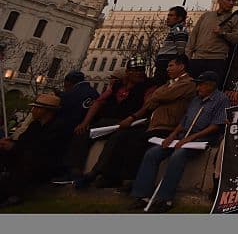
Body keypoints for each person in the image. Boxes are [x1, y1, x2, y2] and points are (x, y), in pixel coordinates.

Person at [74, 54, 196, 190]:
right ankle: (85, 172)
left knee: (127, 139)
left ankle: (121, 178)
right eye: (135, 70)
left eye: (171, 65)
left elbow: (160, 96)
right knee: (88, 132)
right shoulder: (168, 83)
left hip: (162, 125)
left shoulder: (186, 83)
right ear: (127, 72)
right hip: (146, 123)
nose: (167, 69)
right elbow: (153, 101)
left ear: (181, 66)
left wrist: (150, 102)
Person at [129, 70, 229, 212]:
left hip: (201, 139)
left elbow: (215, 126)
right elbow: (184, 121)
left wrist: (191, 138)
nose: (198, 88)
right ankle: (142, 195)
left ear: (211, 85)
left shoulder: (221, 99)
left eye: (201, 85)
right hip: (182, 136)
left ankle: (165, 199)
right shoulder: (196, 99)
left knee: (178, 155)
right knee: (152, 153)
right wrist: (172, 136)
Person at [61, 59, 156, 182]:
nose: (139, 73)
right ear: (128, 72)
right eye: (136, 70)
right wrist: (85, 122)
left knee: (117, 137)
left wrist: (132, 118)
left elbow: (147, 105)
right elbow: (99, 102)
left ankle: (96, 172)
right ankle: (74, 170)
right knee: (82, 132)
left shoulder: (148, 86)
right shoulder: (117, 85)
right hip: (110, 121)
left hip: (130, 123)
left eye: (141, 70)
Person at [0, 93, 69, 208]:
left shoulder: (58, 127)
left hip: (46, 164)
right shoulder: (35, 125)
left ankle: (15, 194)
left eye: (37, 108)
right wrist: (9, 143)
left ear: (47, 111)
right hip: (28, 157)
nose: (33, 111)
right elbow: (24, 141)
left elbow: (42, 149)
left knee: (27, 160)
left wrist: (14, 147)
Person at [186, 0, 238, 82]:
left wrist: (223, 33)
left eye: (233, 1)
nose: (231, 3)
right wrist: (187, 57)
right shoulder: (206, 15)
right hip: (198, 58)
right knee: (193, 86)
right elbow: (194, 35)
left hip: (217, 60)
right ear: (219, 0)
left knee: (210, 87)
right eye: (228, 0)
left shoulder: (235, 18)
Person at [154, 6, 190, 85]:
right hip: (164, 64)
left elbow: (181, 49)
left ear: (179, 18)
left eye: (171, 15)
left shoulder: (180, 29)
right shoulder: (175, 30)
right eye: (168, 15)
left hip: (166, 64)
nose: (168, 18)